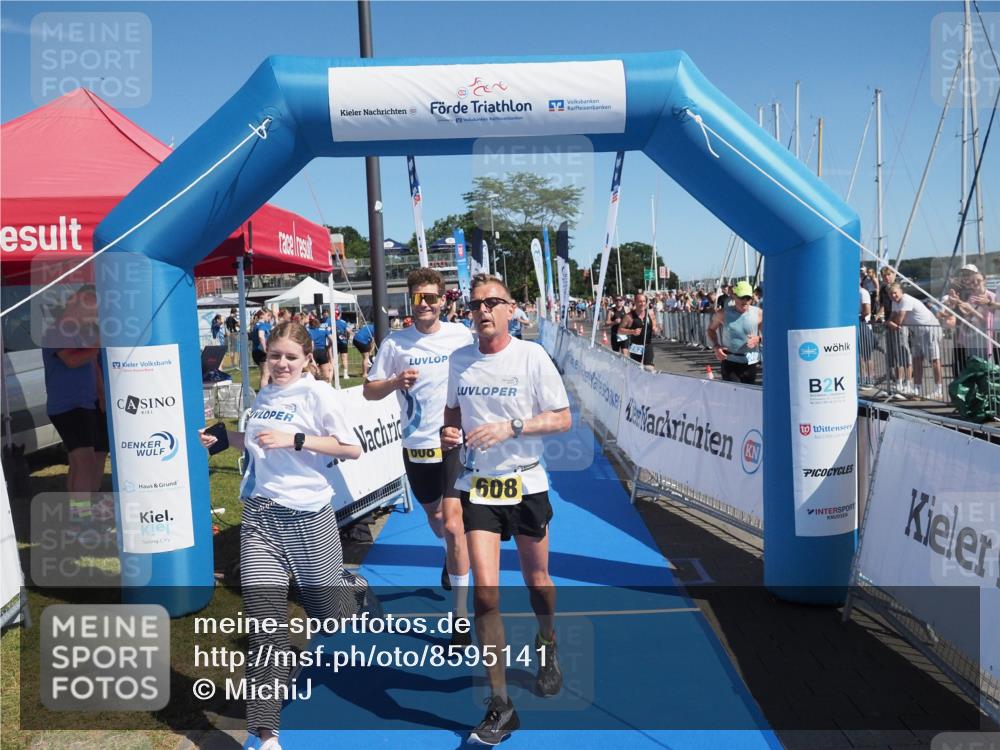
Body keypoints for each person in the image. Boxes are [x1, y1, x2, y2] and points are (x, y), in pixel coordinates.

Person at [198, 322, 366, 750]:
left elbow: (350, 448)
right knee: (265, 629)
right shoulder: (263, 396)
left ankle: (353, 589)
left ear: (308, 358)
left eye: (291, 356)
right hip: (260, 520)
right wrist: (220, 439)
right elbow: (256, 444)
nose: (282, 364)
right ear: (266, 357)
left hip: (309, 519)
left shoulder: (319, 394)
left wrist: (298, 439)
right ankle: (267, 735)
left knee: (331, 616)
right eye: (276, 356)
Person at [441, 274, 571, 745]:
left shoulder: (532, 357)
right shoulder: (460, 360)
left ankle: (548, 642)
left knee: (539, 584)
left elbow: (562, 418)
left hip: (528, 483)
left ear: (511, 309)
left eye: (493, 302)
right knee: (485, 597)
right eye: (475, 304)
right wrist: (449, 434)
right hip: (479, 487)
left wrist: (511, 427)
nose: (483, 311)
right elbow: (451, 414)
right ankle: (500, 703)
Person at [364, 269, 475, 642]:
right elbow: (369, 392)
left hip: (454, 443)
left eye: (431, 297)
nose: (424, 304)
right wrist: (395, 382)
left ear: (444, 300)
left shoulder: (462, 336)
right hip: (416, 445)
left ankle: (459, 615)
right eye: (418, 298)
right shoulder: (396, 344)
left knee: (455, 522)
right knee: (436, 517)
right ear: (410, 301)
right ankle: (448, 552)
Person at [41, 285, 109, 524]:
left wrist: (100, 396)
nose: (94, 315)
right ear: (76, 304)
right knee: (84, 461)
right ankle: (82, 517)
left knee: (85, 461)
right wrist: (99, 344)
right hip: (68, 405)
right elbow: (71, 360)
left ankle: (82, 512)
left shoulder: (80, 331)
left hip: (84, 403)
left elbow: (92, 367)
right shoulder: (56, 331)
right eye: (91, 309)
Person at [888, 283, 943, 399]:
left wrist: (891, 323)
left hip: (929, 329)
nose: (893, 295)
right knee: (917, 360)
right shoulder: (895, 302)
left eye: (895, 293)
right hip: (916, 332)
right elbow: (892, 317)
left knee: (934, 360)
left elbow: (899, 321)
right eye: (891, 294)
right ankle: (917, 389)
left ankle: (939, 390)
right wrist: (889, 322)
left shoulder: (906, 300)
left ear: (901, 291)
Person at [707, 280, 763, 384]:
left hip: (750, 362)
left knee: (748, 397)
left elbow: (771, 336)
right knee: (733, 395)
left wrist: (758, 339)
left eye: (748, 298)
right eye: (742, 297)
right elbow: (711, 329)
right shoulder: (723, 314)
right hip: (729, 362)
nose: (745, 301)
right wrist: (716, 346)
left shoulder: (758, 313)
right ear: (734, 296)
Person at [879, 266, 912, 393]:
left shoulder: (898, 289)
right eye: (884, 276)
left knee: (903, 353)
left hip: (899, 324)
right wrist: (878, 316)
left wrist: (894, 322)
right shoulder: (883, 290)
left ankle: (907, 383)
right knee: (892, 354)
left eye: (888, 274)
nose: (886, 277)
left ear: (893, 274)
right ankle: (897, 382)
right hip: (889, 322)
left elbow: (902, 310)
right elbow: (883, 305)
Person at [619, 292, 660, 367]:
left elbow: (655, 327)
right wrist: (632, 331)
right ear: (635, 302)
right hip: (635, 346)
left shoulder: (650, 313)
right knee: (636, 369)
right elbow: (620, 330)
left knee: (649, 368)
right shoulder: (629, 316)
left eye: (644, 301)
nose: (642, 304)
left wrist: (655, 330)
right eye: (640, 301)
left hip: (647, 345)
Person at [307, 315, 334, 384]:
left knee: (313, 371)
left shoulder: (309, 331)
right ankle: (328, 384)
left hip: (314, 352)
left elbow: (311, 343)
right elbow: (331, 339)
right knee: (326, 371)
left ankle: (314, 384)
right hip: (322, 351)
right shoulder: (324, 330)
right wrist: (329, 346)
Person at [252, 310, 273, 387]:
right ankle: (263, 395)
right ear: (262, 315)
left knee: (266, 375)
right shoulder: (262, 325)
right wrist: (265, 349)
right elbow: (261, 336)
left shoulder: (255, 325)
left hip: (256, 351)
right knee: (266, 375)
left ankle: (267, 393)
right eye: (268, 315)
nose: (269, 318)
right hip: (262, 352)